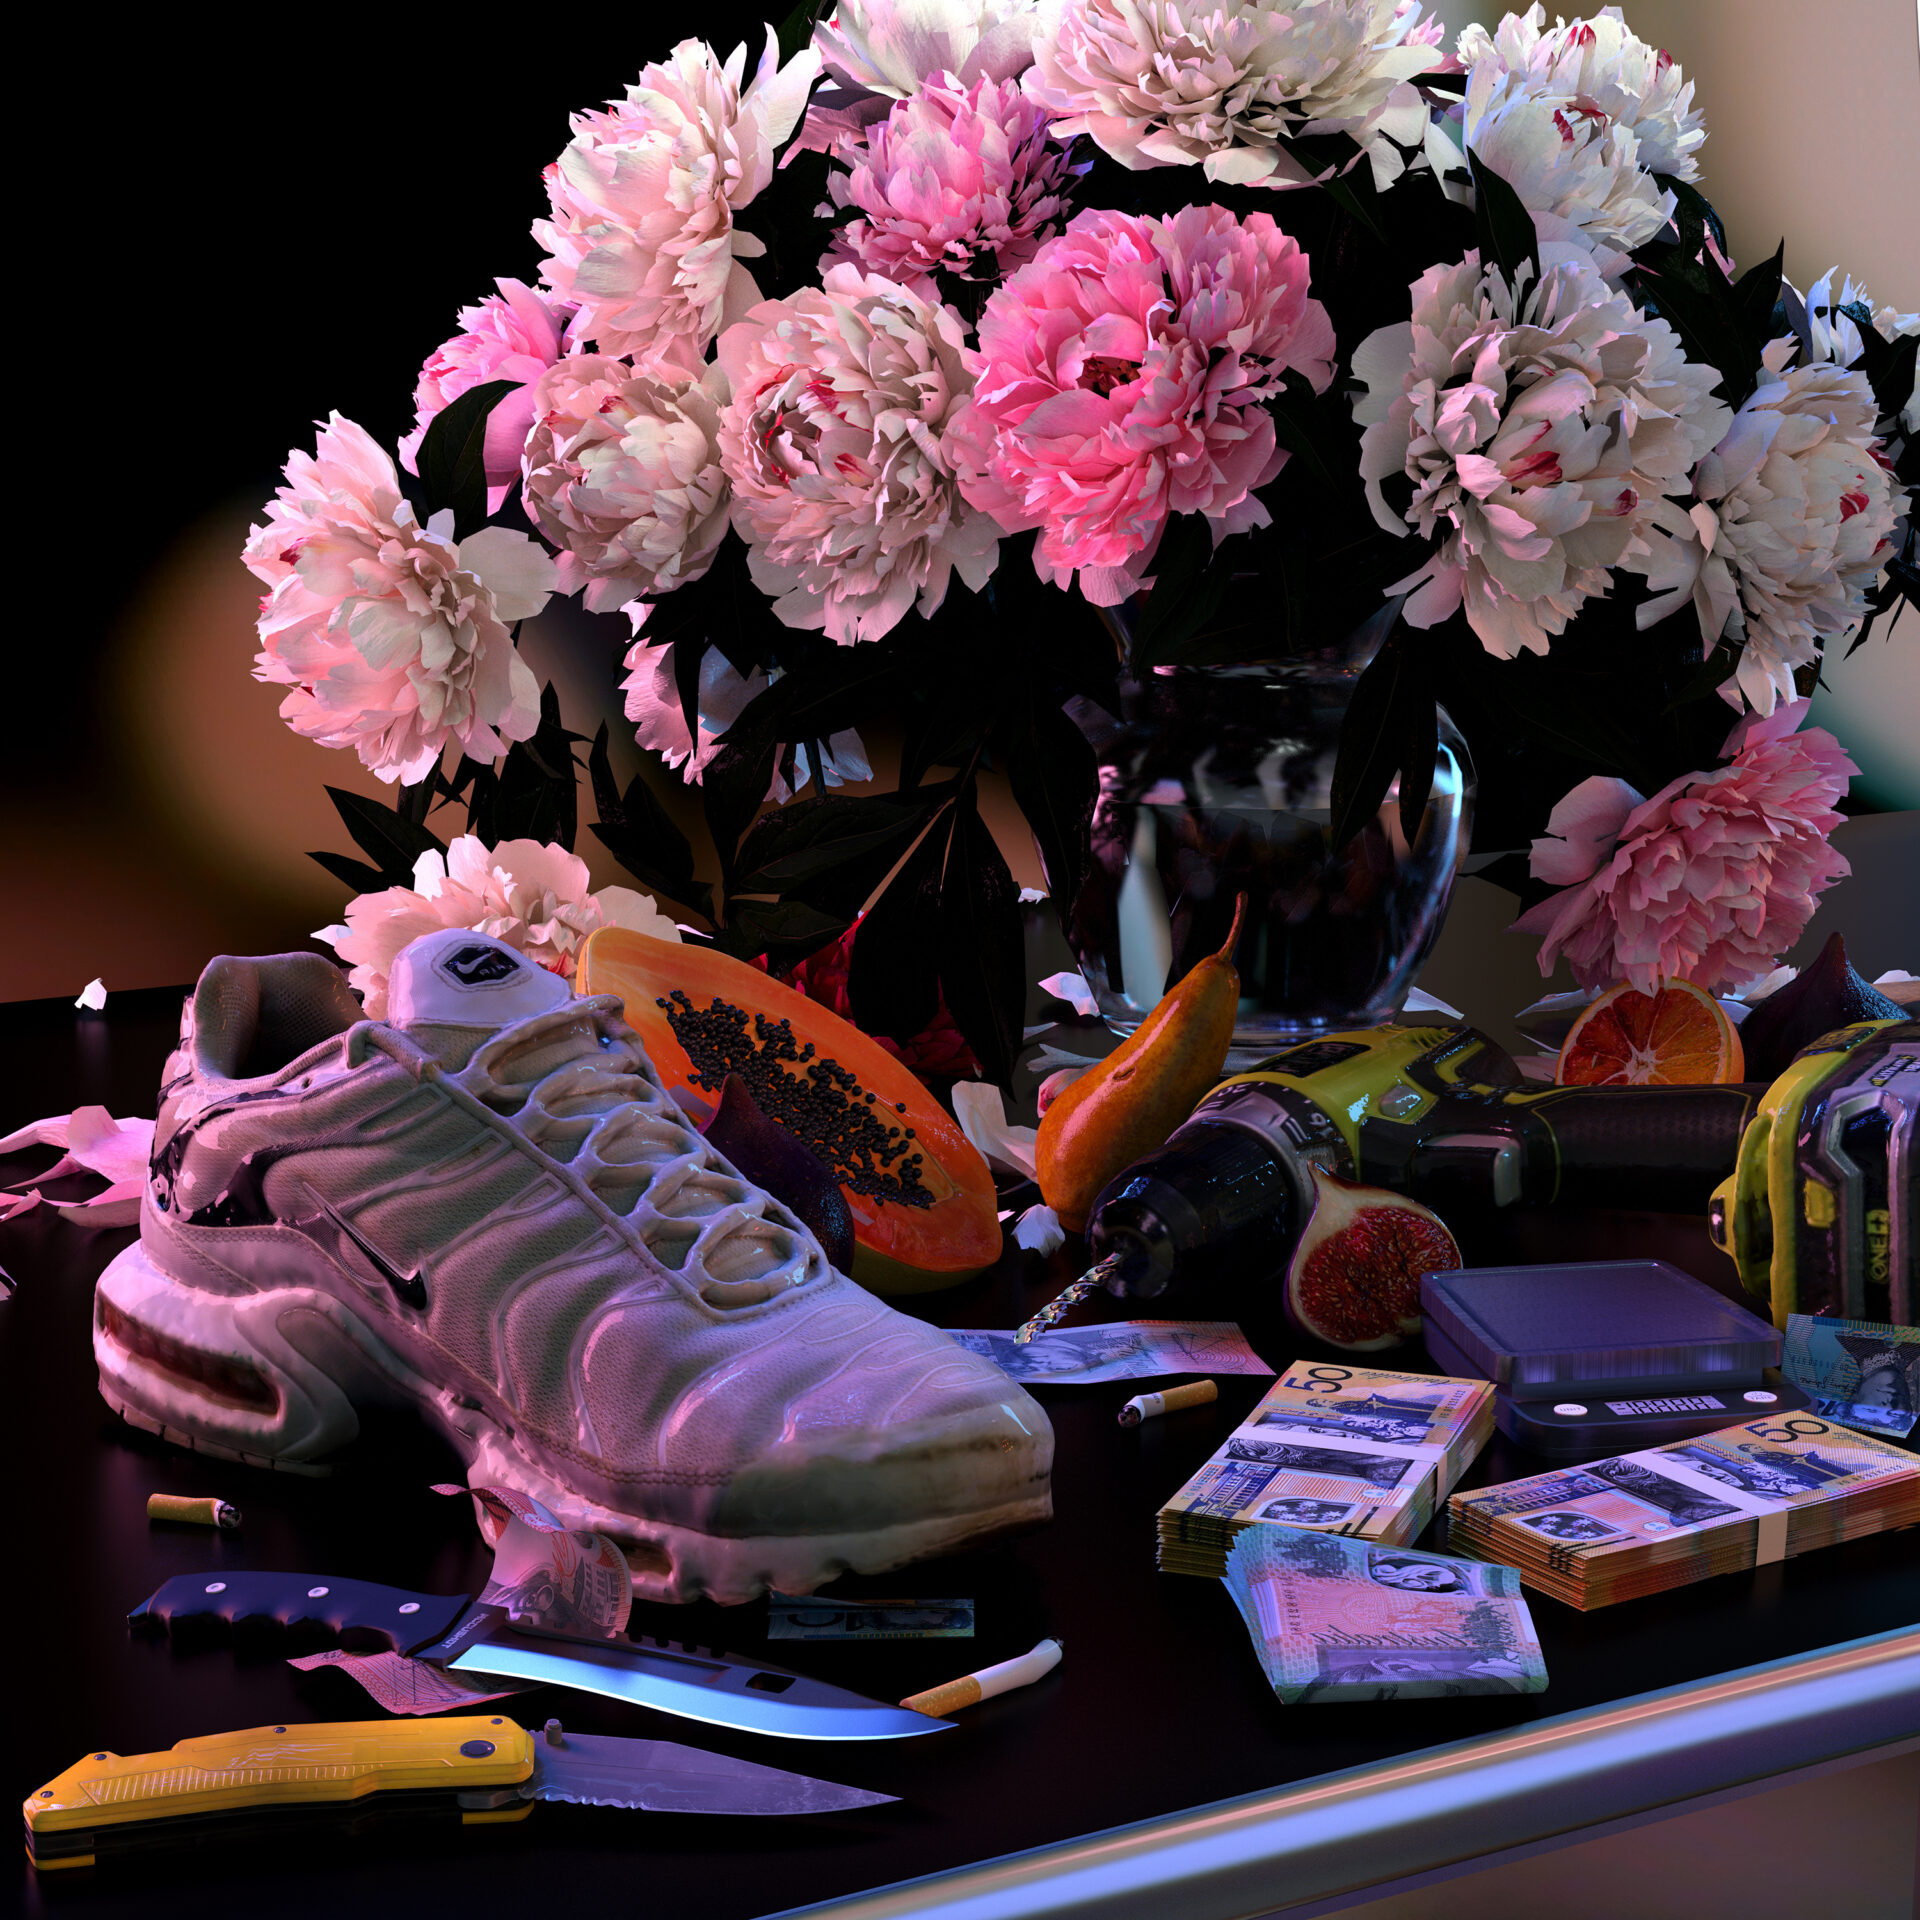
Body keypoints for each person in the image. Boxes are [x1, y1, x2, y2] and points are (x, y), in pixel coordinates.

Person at [1367, 1555, 1465, 1594]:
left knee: (1415, 1585)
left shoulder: (1424, 1584)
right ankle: (1385, 1577)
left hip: (1413, 1574)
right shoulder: (1449, 1577)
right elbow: (1435, 1579)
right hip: (1413, 1572)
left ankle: (1386, 1578)